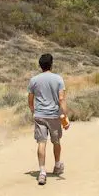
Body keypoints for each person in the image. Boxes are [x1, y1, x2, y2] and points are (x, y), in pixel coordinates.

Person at [28, 53, 69, 185]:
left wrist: (34, 111)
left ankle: (42, 172)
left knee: (41, 142)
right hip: (54, 116)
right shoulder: (58, 79)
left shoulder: (34, 80)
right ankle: (57, 165)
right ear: (51, 64)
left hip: (40, 115)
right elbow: (61, 99)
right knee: (56, 141)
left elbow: (30, 100)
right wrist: (65, 115)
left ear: (40, 65)